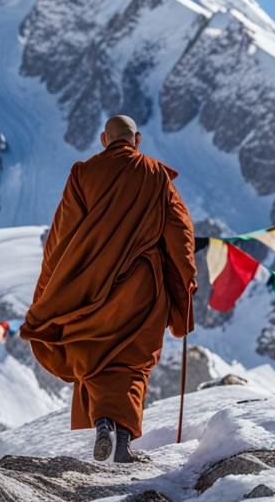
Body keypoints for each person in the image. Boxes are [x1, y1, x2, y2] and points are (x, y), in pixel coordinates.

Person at [22, 114, 198, 463]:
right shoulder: (156, 175)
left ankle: (103, 423)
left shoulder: (83, 174)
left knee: (96, 356)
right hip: (143, 286)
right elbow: (180, 232)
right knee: (132, 363)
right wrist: (186, 278)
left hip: (93, 287)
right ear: (137, 140)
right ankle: (123, 444)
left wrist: (53, 287)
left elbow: (61, 236)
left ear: (104, 140)